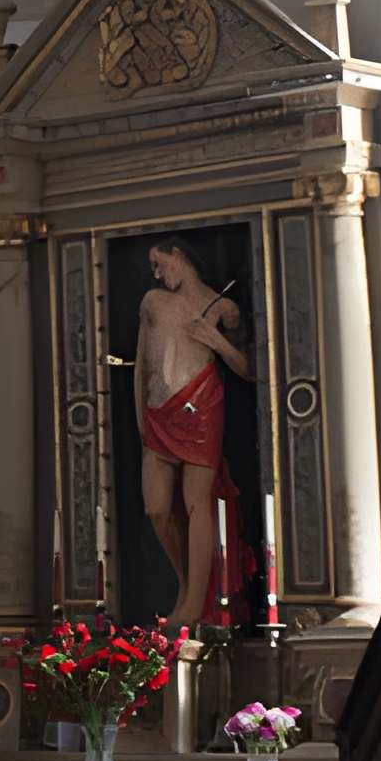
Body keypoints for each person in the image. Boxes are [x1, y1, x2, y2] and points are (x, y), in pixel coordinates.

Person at [138, 234, 249, 628]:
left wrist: (214, 339)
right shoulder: (152, 302)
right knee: (156, 508)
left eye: (159, 263)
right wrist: (141, 416)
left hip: (201, 406)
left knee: (198, 505)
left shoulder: (223, 307)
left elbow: (246, 368)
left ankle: (192, 607)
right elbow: (140, 365)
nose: (156, 273)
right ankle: (186, 584)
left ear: (179, 256)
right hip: (157, 413)